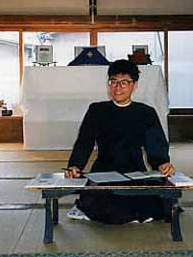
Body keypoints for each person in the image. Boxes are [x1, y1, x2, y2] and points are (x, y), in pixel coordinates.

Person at [65, 59, 174, 224]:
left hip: (135, 171)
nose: (117, 88)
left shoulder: (146, 113)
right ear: (108, 84)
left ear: (134, 85)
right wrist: (75, 165)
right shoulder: (97, 110)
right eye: (113, 82)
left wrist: (162, 163)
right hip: (103, 170)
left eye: (124, 83)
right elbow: (84, 142)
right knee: (101, 202)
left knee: (161, 200)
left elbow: (155, 143)